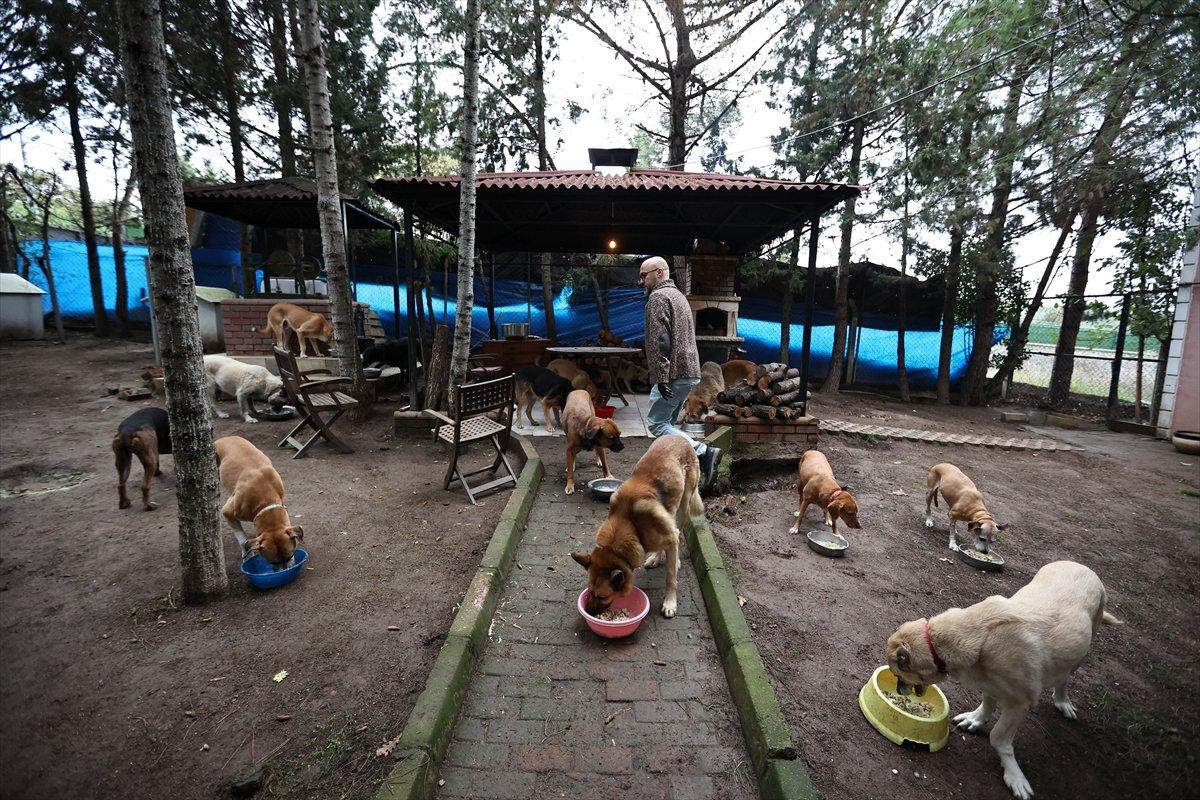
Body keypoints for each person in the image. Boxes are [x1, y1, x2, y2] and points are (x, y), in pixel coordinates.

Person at [638, 256, 722, 485]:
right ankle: (675, 471)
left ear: (660, 273)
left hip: (673, 373)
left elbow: (660, 340)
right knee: (669, 424)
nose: (641, 281)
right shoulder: (679, 296)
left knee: (657, 424)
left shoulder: (658, 297)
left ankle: (703, 452)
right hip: (689, 371)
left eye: (644, 275)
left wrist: (661, 377)